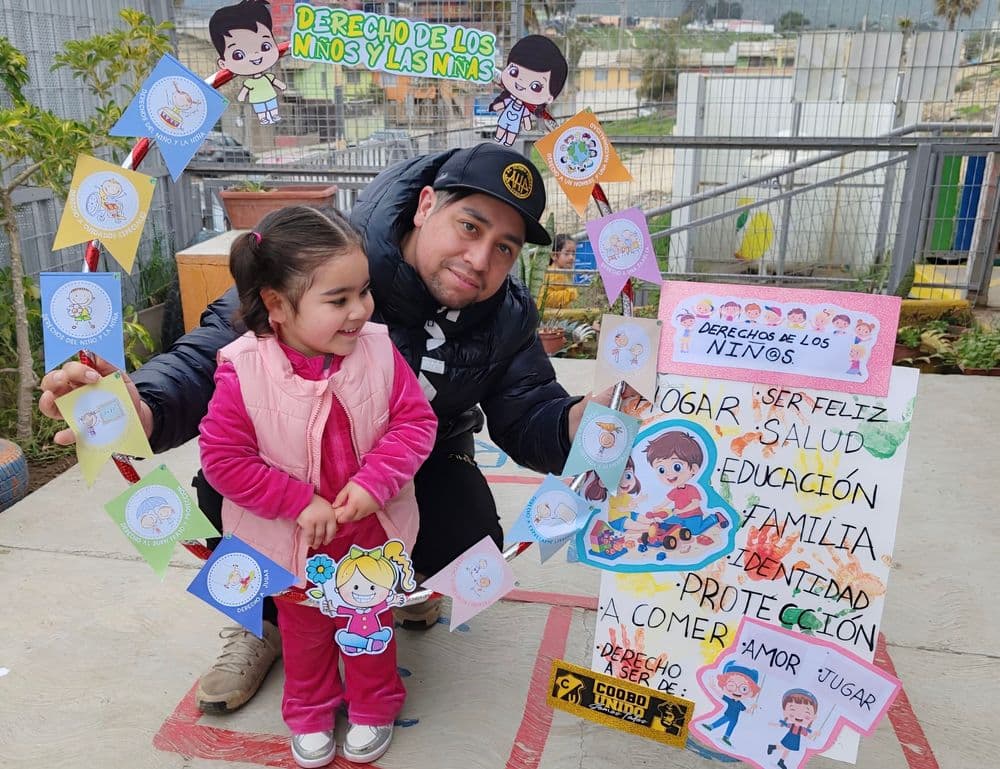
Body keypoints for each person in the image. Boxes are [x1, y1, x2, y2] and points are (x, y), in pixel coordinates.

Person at [39, 143, 607, 716]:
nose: (480, 258)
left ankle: (392, 588)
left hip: (414, 459)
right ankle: (262, 620)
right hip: (290, 463)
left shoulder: (507, 314)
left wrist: (581, 423)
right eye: (469, 226)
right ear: (426, 204)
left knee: (472, 542)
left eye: (504, 248)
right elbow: (214, 351)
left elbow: (529, 409)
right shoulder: (330, 255)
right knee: (219, 488)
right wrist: (146, 410)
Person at [199, 207, 436, 766]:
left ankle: (375, 704)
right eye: (338, 300)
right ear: (277, 305)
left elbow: (414, 422)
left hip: (368, 535)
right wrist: (298, 502)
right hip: (289, 542)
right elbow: (223, 459)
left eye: (364, 292)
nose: (360, 311)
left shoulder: (378, 350)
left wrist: (375, 484)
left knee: (369, 627)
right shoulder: (242, 369)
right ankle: (307, 710)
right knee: (304, 634)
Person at [538, 233, 578, 309]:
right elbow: (545, 298)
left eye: (573, 253)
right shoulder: (554, 273)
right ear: (554, 256)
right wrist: (570, 293)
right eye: (567, 253)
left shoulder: (561, 272)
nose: (571, 257)